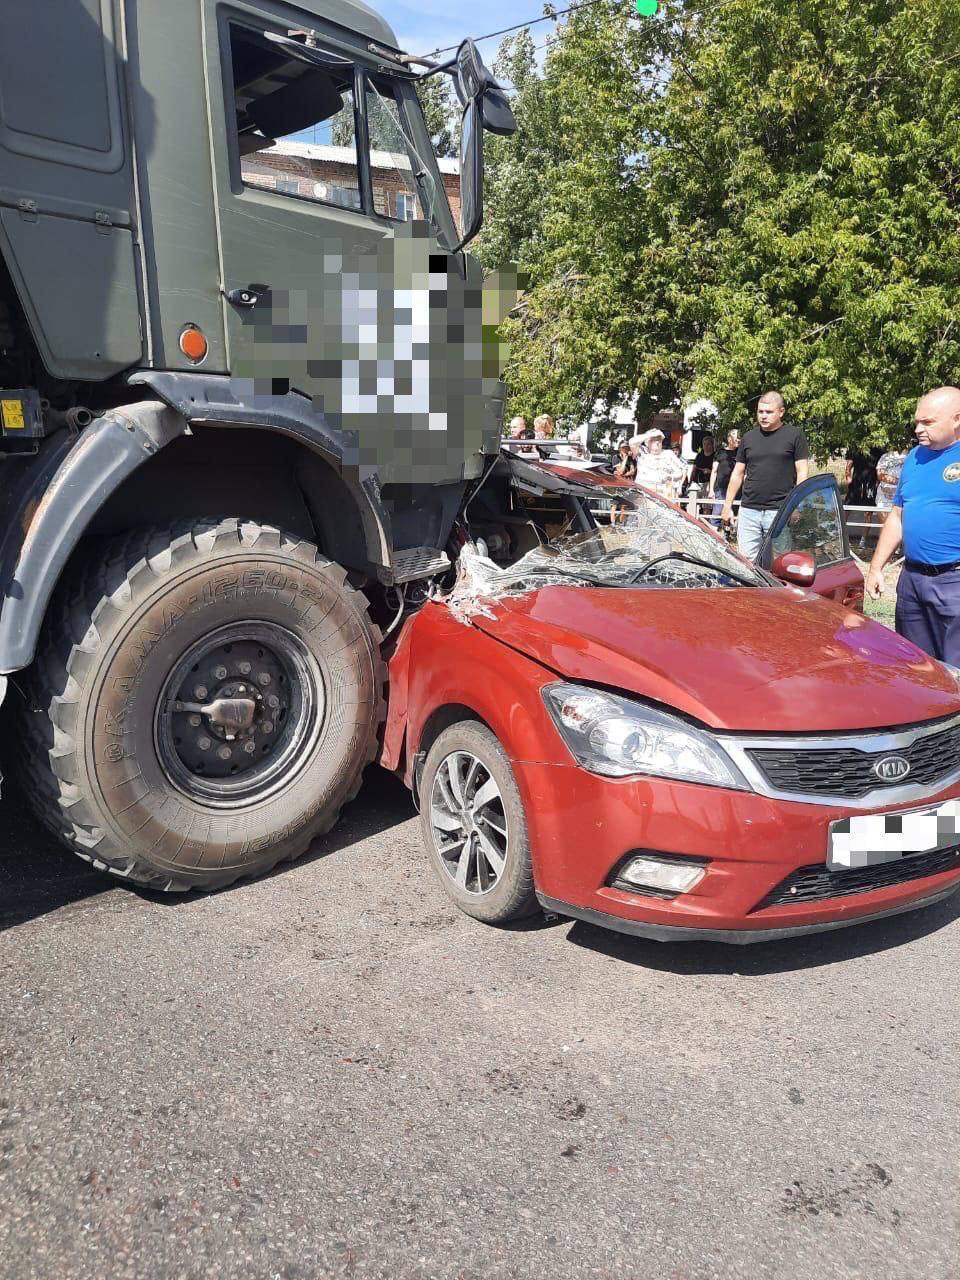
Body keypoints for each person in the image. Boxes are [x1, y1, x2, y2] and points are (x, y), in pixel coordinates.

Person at [867, 386, 960, 664]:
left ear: (957, 419)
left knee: (955, 671)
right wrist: (875, 568)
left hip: (953, 581)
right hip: (912, 582)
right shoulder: (914, 459)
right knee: (915, 666)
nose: (918, 429)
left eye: (928, 422)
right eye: (917, 422)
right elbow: (897, 515)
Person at [720, 391, 810, 560]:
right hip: (748, 510)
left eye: (768, 412)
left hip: (780, 510)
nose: (763, 416)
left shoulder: (794, 435)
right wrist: (727, 506)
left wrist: (796, 506)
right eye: (760, 412)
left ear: (781, 412)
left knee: (782, 562)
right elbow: (737, 474)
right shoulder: (749, 437)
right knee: (746, 562)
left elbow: (802, 473)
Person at [634, 428, 687, 502]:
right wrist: (648, 435)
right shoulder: (642, 452)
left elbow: (680, 472)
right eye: (654, 440)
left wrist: (669, 476)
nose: (657, 442)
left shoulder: (668, 454)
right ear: (647, 442)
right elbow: (632, 442)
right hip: (643, 494)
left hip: (662, 495)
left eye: (659, 440)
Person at [708, 430, 740, 525]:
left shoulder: (741, 453)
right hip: (721, 488)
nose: (738, 440)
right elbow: (714, 471)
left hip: (737, 488)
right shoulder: (720, 452)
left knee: (735, 514)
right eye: (736, 438)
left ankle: (732, 535)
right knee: (717, 513)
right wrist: (711, 490)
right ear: (729, 439)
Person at [611, 441, 637, 524]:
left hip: (627, 485)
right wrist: (625, 458)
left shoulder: (631, 459)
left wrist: (625, 474)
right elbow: (620, 471)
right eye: (624, 448)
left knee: (624, 506)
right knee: (614, 505)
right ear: (620, 449)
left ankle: (620, 524)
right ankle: (613, 523)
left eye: (627, 448)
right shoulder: (616, 457)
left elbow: (632, 471)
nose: (625, 450)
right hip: (617, 485)